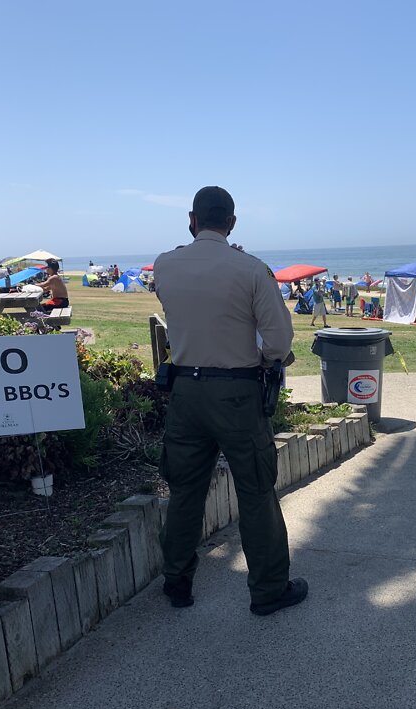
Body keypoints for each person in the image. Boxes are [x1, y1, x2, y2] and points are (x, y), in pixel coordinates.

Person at [153, 186, 307, 616]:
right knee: (256, 492)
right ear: (232, 223)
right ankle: (268, 589)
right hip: (237, 391)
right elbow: (278, 340)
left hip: (185, 391)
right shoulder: (251, 269)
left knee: (185, 491)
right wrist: (261, 358)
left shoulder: (166, 266)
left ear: (192, 219)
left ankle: (177, 581)